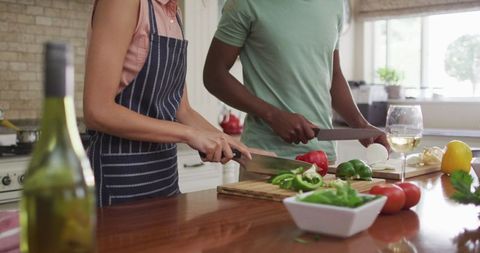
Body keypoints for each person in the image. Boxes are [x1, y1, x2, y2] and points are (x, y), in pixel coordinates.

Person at [83, 0, 251, 207]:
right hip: (119, 181)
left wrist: (236, 147)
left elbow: (183, 111)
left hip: (165, 179)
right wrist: (188, 134)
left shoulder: (173, 14)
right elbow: (97, 110)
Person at [203, 0, 389, 162]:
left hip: (324, 158)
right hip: (266, 159)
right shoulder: (245, 3)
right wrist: (273, 115)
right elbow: (214, 75)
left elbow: (333, 74)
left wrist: (361, 125)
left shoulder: (334, 3)